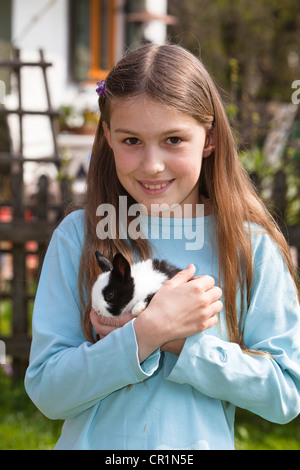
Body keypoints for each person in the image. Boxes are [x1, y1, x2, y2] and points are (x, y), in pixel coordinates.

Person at [25, 44, 300, 450]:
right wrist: (146, 333)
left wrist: (180, 342)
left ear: (208, 139)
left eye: (173, 139)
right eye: (132, 140)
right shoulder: (78, 237)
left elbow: (286, 394)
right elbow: (49, 392)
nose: (152, 164)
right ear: (108, 137)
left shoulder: (248, 245)